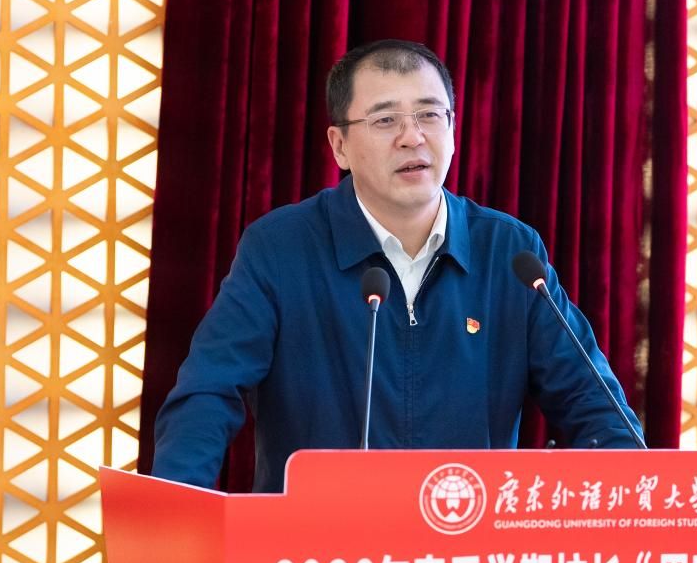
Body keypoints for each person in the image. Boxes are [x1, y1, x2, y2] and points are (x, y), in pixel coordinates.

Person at [151, 39, 643, 491]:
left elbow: (593, 403)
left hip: (466, 543)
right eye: (385, 120)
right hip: (315, 547)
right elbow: (208, 393)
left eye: (429, 115)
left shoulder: (509, 252)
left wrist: (635, 498)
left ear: (452, 129)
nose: (413, 137)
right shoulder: (280, 249)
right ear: (339, 146)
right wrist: (176, 511)